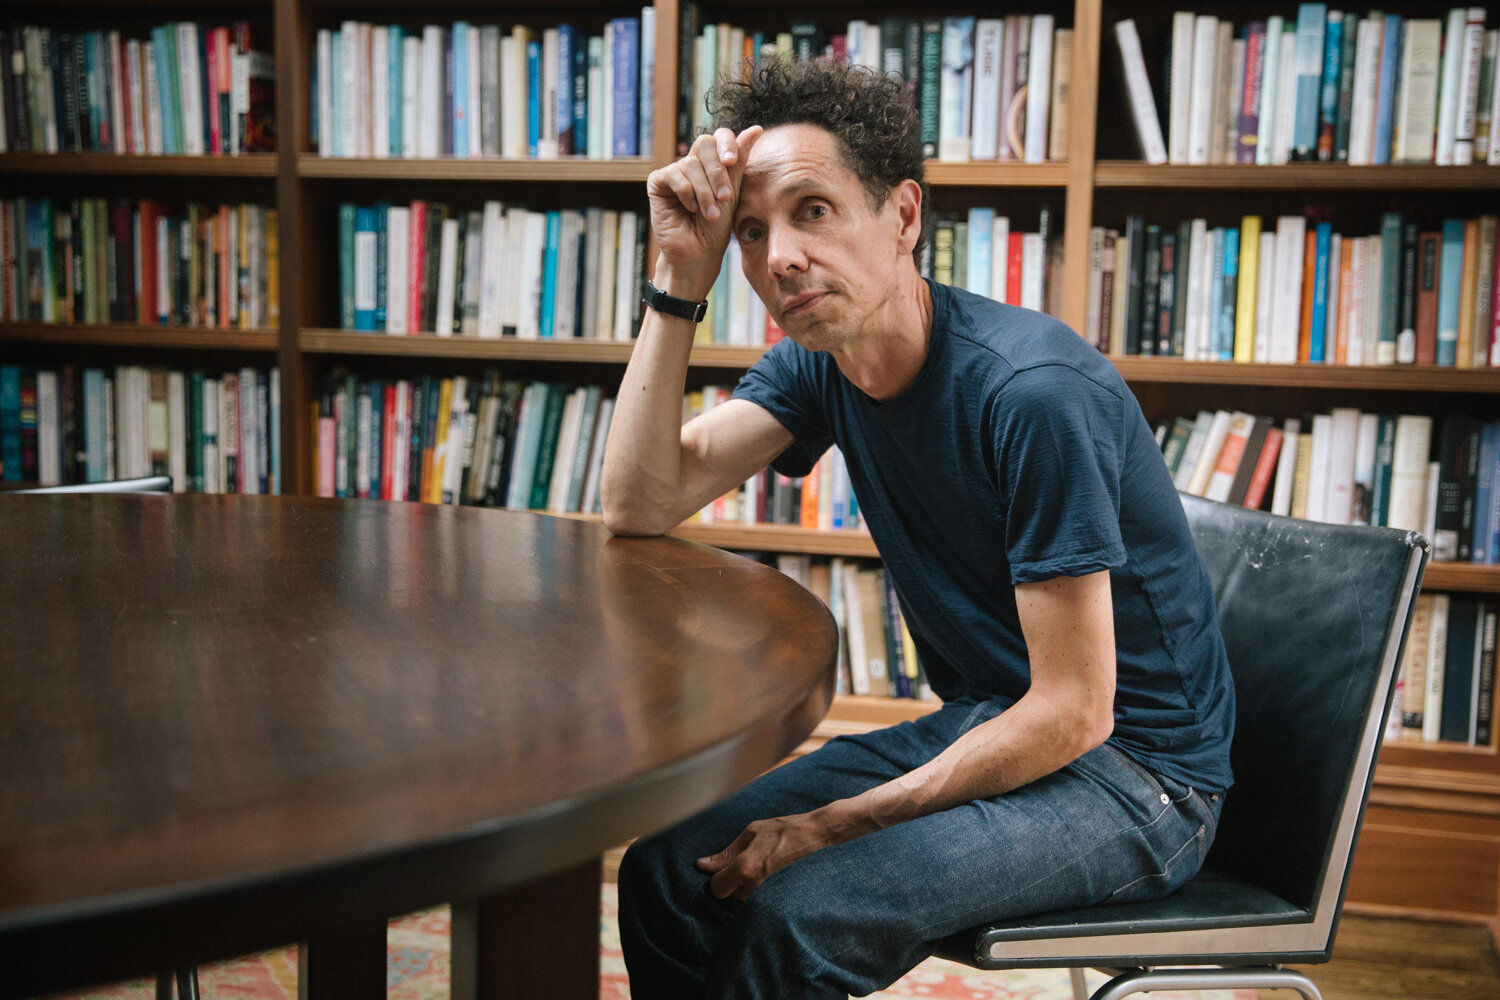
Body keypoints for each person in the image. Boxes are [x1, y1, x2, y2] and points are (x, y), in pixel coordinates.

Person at [599, 56, 1235, 1000]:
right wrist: (677, 275)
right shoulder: (826, 360)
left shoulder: (1032, 395)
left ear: (902, 216)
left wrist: (833, 823)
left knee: (797, 915)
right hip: (994, 726)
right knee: (668, 872)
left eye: (812, 210)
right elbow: (641, 500)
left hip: (1138, 777)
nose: (778, 258)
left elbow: (1076, 710)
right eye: (751, 231)